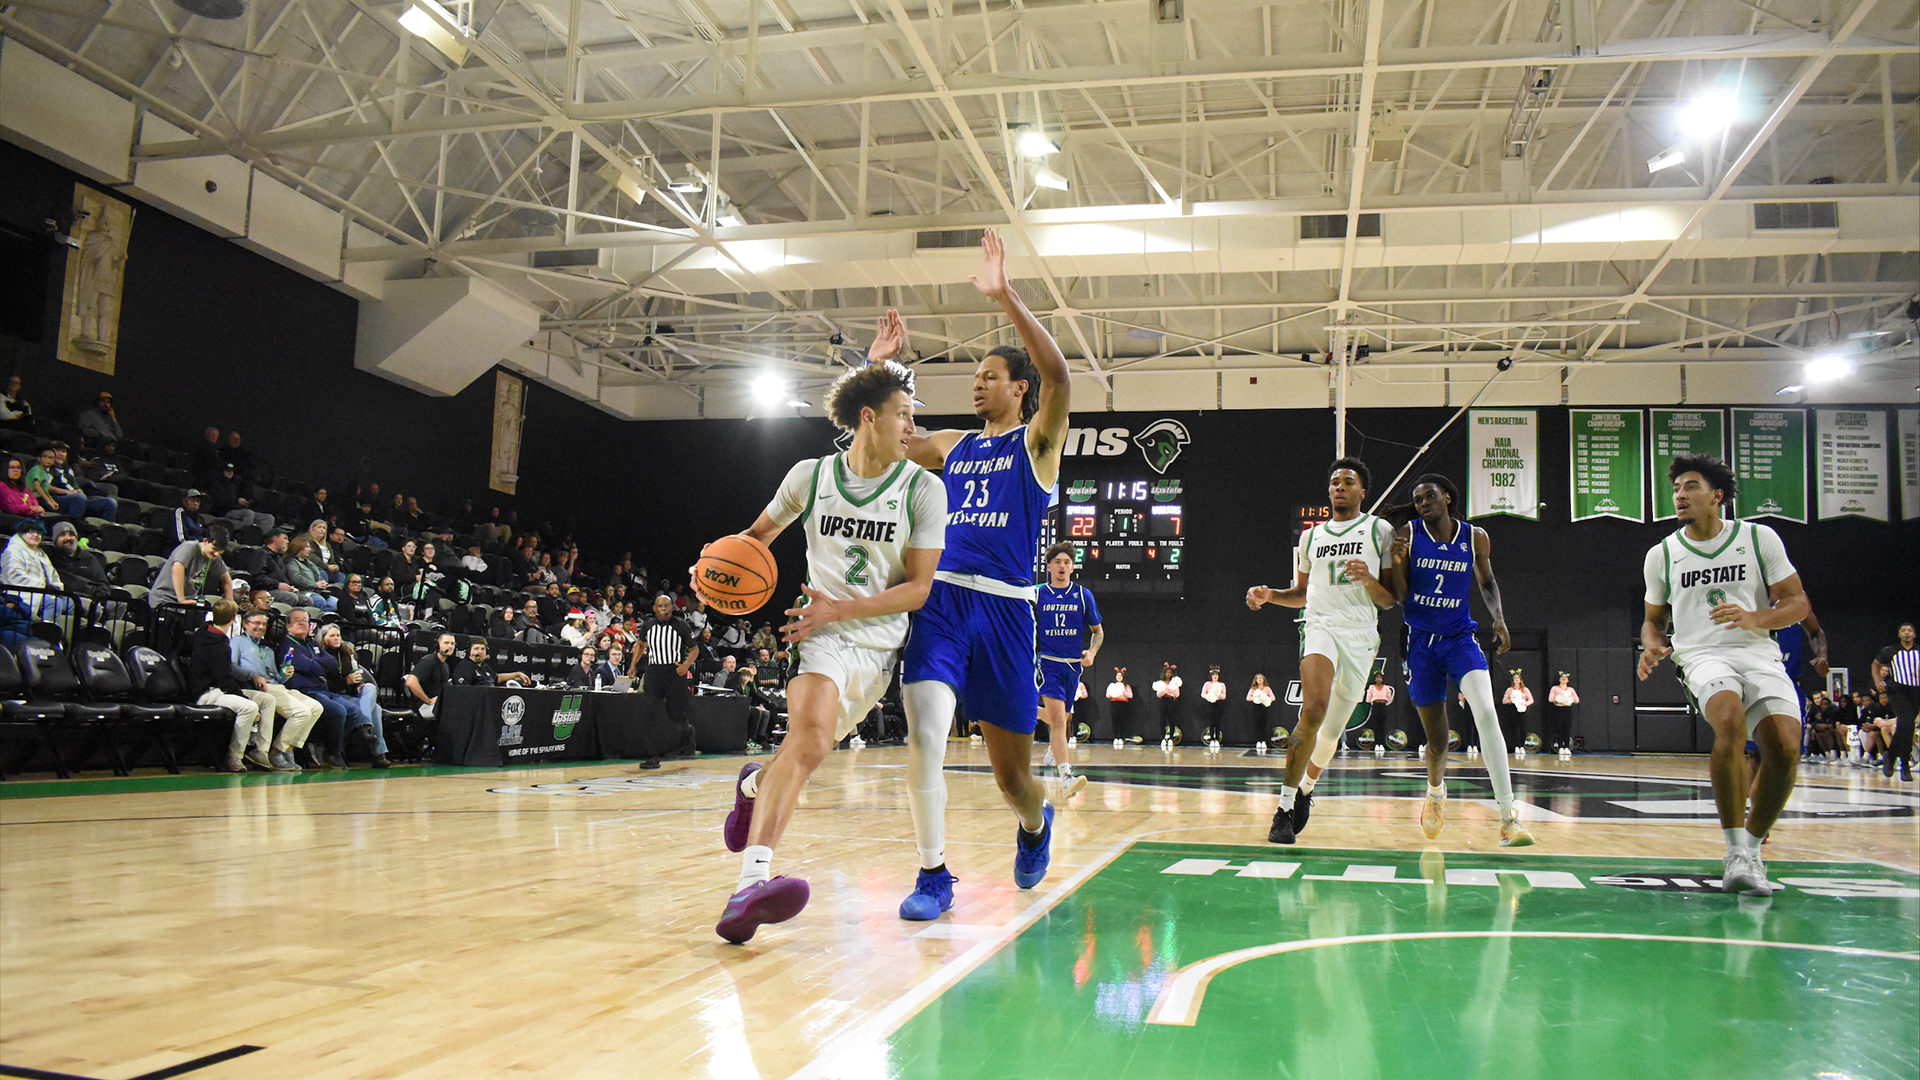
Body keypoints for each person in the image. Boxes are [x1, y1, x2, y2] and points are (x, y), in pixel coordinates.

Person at [703, 358, 944, 944]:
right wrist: (709, 566)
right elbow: (754, 540)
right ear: (870, 418)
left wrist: (845, 609)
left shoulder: (922, 488)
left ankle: (753, 786)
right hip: (818, 635)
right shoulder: (810, 477)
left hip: (878, 650)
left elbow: (918, 589)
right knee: (808, 740)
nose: (912, 428)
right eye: (904, 416)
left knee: (805, 753)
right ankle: (750, 883)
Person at [875, 230, 1075, 918]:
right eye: (975, 375)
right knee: (926, 733)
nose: (977, 382)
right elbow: (883, 444)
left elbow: (1063, 379)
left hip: (1006, 614)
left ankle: (1034, 823)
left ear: (1019, 389)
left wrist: (1005, 295)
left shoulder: (1037, 445)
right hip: (943, 605)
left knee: (1013, 778)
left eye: (991, 375)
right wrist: (882, 376)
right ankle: (934, 875)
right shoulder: (954, 445)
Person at [1639, 453, 1812, 895]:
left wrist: (1756, 618)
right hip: (1701, 656)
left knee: (1786, 747)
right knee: (1731, 719)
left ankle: (1753, 847)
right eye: (1676, 487)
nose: (1680, 494)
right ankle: (1735, 850)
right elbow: (1653, 619)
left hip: (1757, 652)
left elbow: (1797, 603)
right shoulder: (1662, 554)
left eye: (1691, 486)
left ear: (1717, 497)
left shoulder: (1758, 538)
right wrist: (1652, 644)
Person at [1246, 457, 1396, 845]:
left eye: (1348, 481)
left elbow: (1390, 600)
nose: (1339, 487)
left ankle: (1307, 789)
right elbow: (1300, 595)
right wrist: (1270, 596)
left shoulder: (1379, 530)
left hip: (1361, 634)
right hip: (1320, 626)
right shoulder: (1311, 538)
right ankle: (1282, 808)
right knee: (1312, 710)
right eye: (1334, 482)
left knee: (1331, 733)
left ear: (1363, 490)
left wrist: (1367, 579)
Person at [1384, 473, 1531, 846]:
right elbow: (1401, 598)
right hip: (1420, 642)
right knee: (1438, 741)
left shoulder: (1474, 536)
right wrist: (1397, 564)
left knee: (1485, 712)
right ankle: (1435, 793)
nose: (1422, 503)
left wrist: (1498, 617)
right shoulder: (1407, 535)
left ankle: (1508, 818)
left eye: (1428, 496)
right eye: (1417, 500)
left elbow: (1486, 581)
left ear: (1447, 497)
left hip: (1459, 637)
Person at [1035, 541, 1101, 795]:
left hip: (1073, 667)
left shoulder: (1084, 596)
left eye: (1067, 562)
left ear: (1072, 567)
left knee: (1061, 718)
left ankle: (1027, 712)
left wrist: (1092, 652)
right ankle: (1066, 777)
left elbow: (1098, 632)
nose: (1063, 566)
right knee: (1060, 721)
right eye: (1058, 562)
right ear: (1049, 566)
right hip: (1048, 664)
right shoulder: (1038, 593)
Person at [229, 609, 325, 772]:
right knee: (302, 712)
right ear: (245, 624)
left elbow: (276, 677)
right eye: (256, 623)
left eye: (264, 624)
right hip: (259, 688)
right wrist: (252, 676)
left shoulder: (268, 650)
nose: (261, 627)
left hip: (278, 687)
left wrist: (285, 674)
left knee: (316, 708)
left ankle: (287, 748)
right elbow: (231, 667)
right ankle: (277, 751)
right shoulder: (236, 642)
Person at [183, 599, 267, 774]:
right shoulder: (220, 645)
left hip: (214, 689)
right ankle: (235, 756)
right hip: (207, 692)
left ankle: (261, 751)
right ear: (233, 619)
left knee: (266, 700)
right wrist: (244, 699)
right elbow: (225, 681)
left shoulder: (202, 631)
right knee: (250, 707)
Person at [280, 608, 352, 770]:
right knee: (338, 711)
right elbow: (307, 665)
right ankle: (333, 752)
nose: (301, 623)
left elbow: (332, 663)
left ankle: (321, 743)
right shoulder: (287, 644)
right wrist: (317, 663)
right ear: (288, 626)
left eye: (304, 620)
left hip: (323, 689)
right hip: (304, 690)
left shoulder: (311, 643)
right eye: (297, 620)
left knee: (355, 712)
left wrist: (315, 662)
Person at [637, 592, 699, 768]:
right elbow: (641, 645)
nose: (664, 609)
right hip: (654, 672)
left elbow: (694, 649)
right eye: (660, 606)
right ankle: (652, 757)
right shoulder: (648, 626)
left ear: (672, 608)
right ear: (655, 609)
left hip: (674, 673)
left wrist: (686, 665)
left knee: (675, 713)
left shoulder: (681, 626)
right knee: (649, 713)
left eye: (667, 606)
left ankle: (688, 731)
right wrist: (633, 665)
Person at [319, 622, 389, 768]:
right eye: (332, 636)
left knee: (369, 687)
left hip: (351, 695)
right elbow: (324, 685)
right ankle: (378, 754)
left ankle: (364, 724)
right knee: (376, 709)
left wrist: (358, 683)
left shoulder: (347, 653)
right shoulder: (321, 656)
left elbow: (356, 674)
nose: (337, 638)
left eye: (338, 635)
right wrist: (346, 681)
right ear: (323, 638)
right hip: (334, 695)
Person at [1871, 622, 1917, 781]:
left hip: (1916, 691)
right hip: (1898, 690)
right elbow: (1875, 664)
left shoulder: (1918, 651)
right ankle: (1904, 765)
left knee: (1907, 727)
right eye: (1903, 630)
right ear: (1899, 634)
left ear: (1914, 634)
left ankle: (1891, 756)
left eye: (1910, 630)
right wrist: (1877, 681)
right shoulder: (1890, 651)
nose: (1907, 633)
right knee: (1906, 723)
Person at [149, 524, 232, 609]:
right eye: (214, 549)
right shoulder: (189, 547)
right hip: (165, 598)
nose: (216, 554)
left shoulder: (214, 558)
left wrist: (230, 605)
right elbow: (177, 568)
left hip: (187, 602)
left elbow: (226, 579)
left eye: (220, 551)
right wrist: (181, 599)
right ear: (205, 541)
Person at [3, 518, 70, 621]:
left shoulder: (41, 553)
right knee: (54, 602)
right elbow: (15, 576)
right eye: (31, 532)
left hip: (44, 592)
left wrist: (56, 587)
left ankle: (66, 635)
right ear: (21, 533)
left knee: (72, 604)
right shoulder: (13, 550)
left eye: (38, 532)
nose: (35, 535)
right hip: (22, 593)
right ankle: (44, 632)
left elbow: (53, 575)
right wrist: (43, 586)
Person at [46, 522, 110, 600]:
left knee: (120, 604)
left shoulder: (89, 558)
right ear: (55, 540)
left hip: (92, 598)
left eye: (71, 534)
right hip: (65, 597)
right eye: (63, 535)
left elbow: (103, 585)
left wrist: (96, 599)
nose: (68, 538)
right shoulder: (49, 556)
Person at [405, 632, 456, 718]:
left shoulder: (445, 666)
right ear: (437, 645)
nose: (450, 646)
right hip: (423, 706)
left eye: (452, 644)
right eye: (446, 643)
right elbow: (410, 682)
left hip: (436, 704)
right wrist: (428, 701)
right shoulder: (429, 661)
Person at [451, 638, 532, 688]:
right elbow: (462, 691)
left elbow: (496, 678)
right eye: (476, 648)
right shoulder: (464, 667)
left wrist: (517, 674)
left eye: (482, 649)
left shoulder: (484, 666)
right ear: (469, 651)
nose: (480, 651)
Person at [1546, 674, 1580, 753]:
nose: (1564, 679)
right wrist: (1558, 698)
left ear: (1568, 680)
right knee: (1559, 728)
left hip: (1567, 709)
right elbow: (1550, 699)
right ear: (1559, 679)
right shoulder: (1555, 688)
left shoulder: (1570, 689)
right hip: (1558, 709)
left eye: (1565, 678)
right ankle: (1560, 746)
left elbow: (1577, 700)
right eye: (1562, 678)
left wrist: (1569, 698)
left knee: (1567, 728)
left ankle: (1566, 747)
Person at [1501, 672, 1534, 752]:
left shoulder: (1525, 690)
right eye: (1514, 678)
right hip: (1513, 709)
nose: (1516, 680)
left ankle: (1522, 745)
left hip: (1522, 709)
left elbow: (1531, 700)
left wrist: (1524, 703)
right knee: (1513, 727)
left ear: (1520, 680)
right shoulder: (1510, 690)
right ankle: (1516, 745)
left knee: (1522, 728)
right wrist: (1511, 700)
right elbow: (1504, 701)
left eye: (1517, 678)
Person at [1153, 662, 1183, 744]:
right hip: (1163, 701)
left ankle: (1171, 738)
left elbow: (1177, 693)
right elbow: (1158, 694)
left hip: (1171, 702)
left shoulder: (1174, 683)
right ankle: (1163, 738)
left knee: (1171, 720)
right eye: (1167, 672)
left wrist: (1169, 692)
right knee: (1162, 720)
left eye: (1170, 672)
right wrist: (1165, 692)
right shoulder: (1161, 683)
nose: (1168, 674)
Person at [1199, 667, 1228, 745]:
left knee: (1218, 722)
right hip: (1210, 703)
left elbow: (1224, 696)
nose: (1215, 676)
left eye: (1216, 675)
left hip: (1219, 703)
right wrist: (1210, 696)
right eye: (1213, 675)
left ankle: (1217, 739)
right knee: (1211, 722)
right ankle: (1212, 739)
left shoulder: (1222, 685)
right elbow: (1203, 694)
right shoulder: (1207, 684)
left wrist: (1216, 696)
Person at [1106, 667, 1135, 739]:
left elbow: (1130, 696)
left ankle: (1121, 737)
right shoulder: (1112, 685)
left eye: (1120, 676)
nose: (1119, 677)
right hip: (1114, 703)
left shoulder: (1126, 686)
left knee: (1122, 721)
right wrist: (1114, 693)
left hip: (1123, 704)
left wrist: (1123, 691)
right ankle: (1115, 737)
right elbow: (1107, 695)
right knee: (1114, 721)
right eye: (1117, 676)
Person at [1248, 674, 1276, 739]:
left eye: (1261, 678)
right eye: (1257, 678)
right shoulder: (1253, 688)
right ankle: (1258, 740)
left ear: (1263, 679)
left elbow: (1273, 698)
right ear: (1256, 680)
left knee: (1264, 723)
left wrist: (1265, 698)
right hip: (1256, 707)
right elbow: (1248, 698)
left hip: (1264, 707)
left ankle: (1263, 740)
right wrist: (1256, 698)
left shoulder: (1267, 688)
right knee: (1257, 724)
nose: (1259, 679)